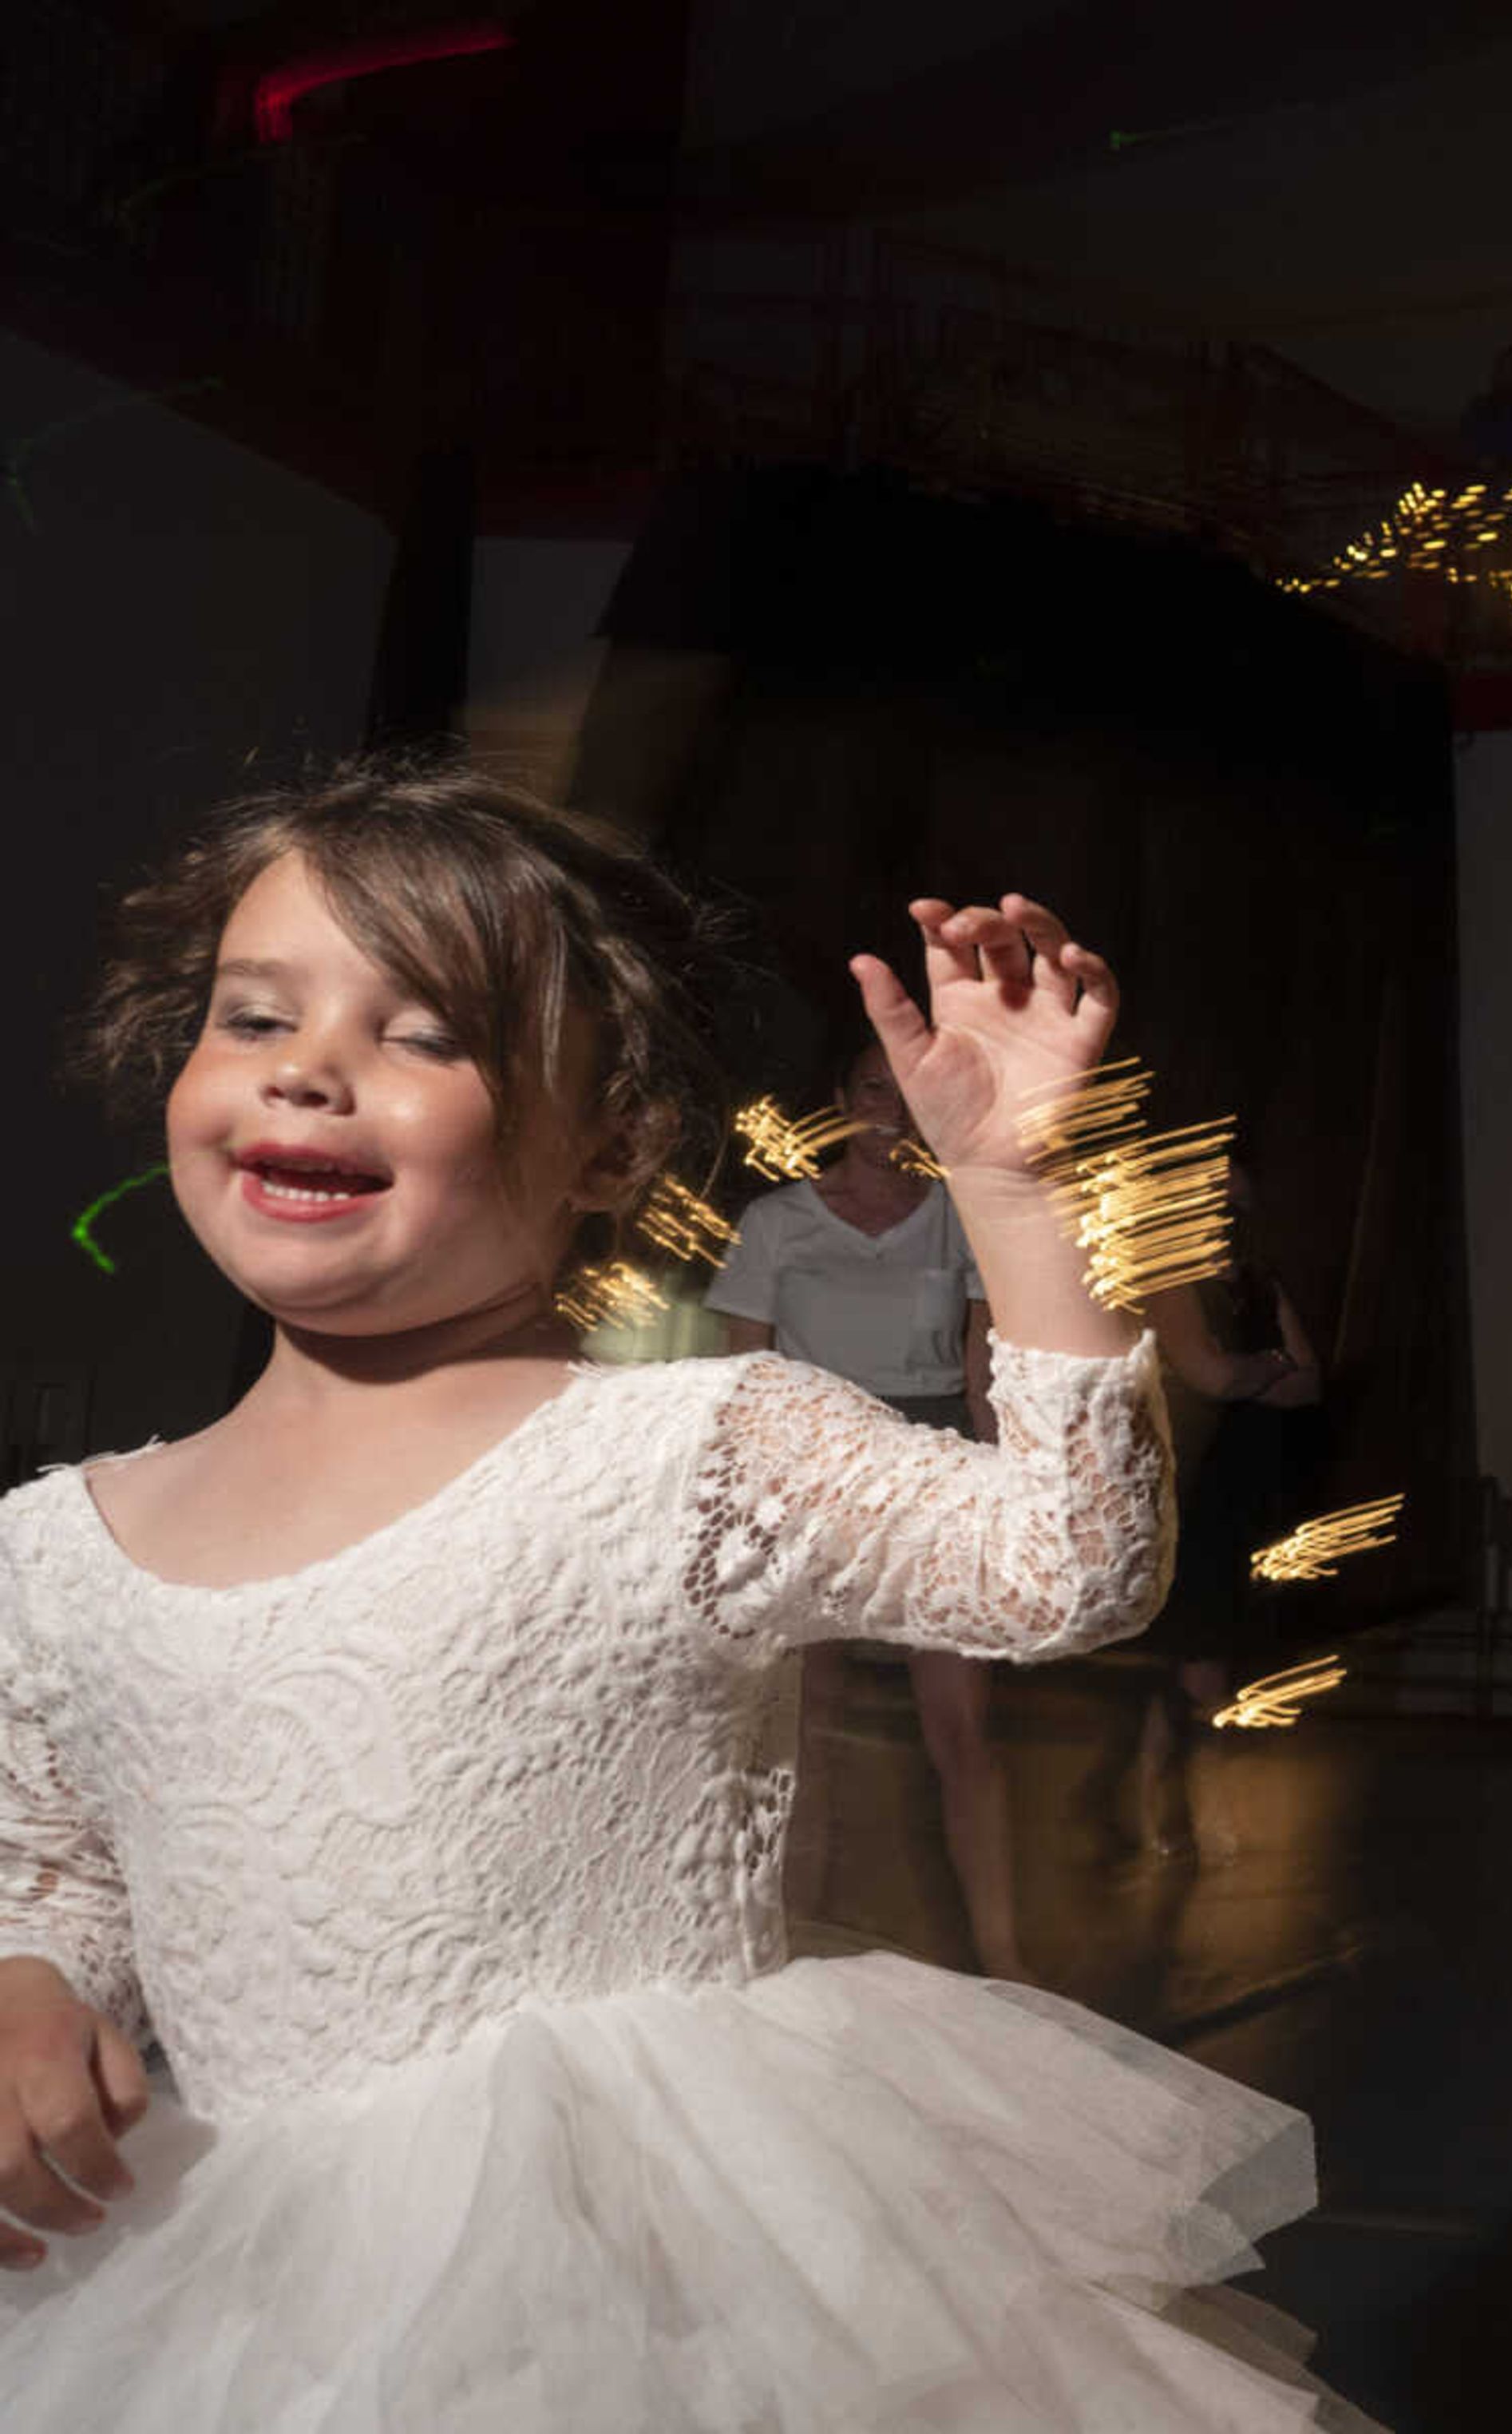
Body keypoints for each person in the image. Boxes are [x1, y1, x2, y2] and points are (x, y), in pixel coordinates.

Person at [0, 760, 1375, 2428]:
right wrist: (32, 1984)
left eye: (425, 1035)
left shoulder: (691, 1449)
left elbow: (1063, 1567)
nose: (311, 1078)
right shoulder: (58, 1546)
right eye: (255, 1018)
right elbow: (61, 1860)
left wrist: (1015, 1187)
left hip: (642, 2292)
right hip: (230, 2301)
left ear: (610, 1146)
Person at [707, 1037, 1028, 1979]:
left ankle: (1007, 1957)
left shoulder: (956, 1221)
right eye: (871, 1085)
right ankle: (780, 1942)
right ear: (838, 1096)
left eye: (909, 1092)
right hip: (809, 1468)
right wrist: (741, 1512)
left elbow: (982, 1373)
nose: (889, 1107)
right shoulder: (776, 1222)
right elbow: (742, 1378)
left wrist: (1004, 1496)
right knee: (808, 1727)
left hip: (930, 1467)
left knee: (963, 1726)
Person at [1132, 1163, 1324, 1855]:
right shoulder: (1168, 1281)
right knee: (1199, 1657)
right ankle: (1202, 1808)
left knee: (1201, 1656)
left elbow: (1308, 1383)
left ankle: (1157, 1803)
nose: (1230, 1211)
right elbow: (1209, 1375)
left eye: (1240, 1199)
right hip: (1191, 1486)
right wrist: (1266, 1367)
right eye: (1219, 1198)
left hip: (1247, 1483)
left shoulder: (1259, 1282)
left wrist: (1257, 1372)